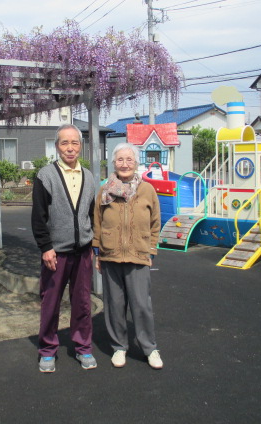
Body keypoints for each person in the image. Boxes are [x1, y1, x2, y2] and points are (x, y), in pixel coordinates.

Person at [31, 124, 97, 373]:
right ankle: (48, 350)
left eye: (75, 143)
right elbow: (38, 216)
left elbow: (92, 214)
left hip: (83, 252)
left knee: (82, 302)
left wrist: (94, 245)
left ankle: (83, 347)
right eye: (64, 143)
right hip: (55, 253)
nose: (70, 148)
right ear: (57, 146)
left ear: (81, 146)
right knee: (51, 302)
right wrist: (45, 247)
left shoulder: (88, 176)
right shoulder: (46, 175)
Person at [92, 142, 163, 369]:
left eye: (129, 159)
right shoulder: (105, 190)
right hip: (110, 255)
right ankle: (119, 347)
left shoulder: (147, 190)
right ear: (114, 163)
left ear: (136, 163)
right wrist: (97, 253)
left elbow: (155, 223)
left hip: (138, 254)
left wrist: (151, 249)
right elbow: (97, 222)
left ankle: (149, 348)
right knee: (114, 304)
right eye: (120, 160)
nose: (124, 164)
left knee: (141, 305)